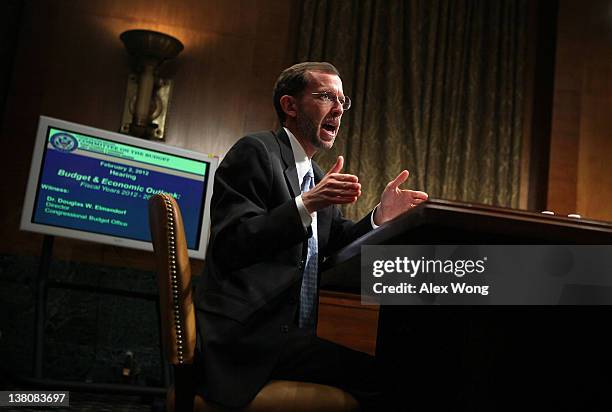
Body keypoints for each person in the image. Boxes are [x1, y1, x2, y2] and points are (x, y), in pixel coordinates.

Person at [193, 62, 428, 410]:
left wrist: (380, 217)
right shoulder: (256, 152)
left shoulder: (314, 173)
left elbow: (333, 242)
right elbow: (233, 242)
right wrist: (306, 203)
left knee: (402, 368)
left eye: (342, 100)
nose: (338, 109)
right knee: (396, 378)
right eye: (325, 97)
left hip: (288, 339)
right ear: (290, 106)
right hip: (248, 340)